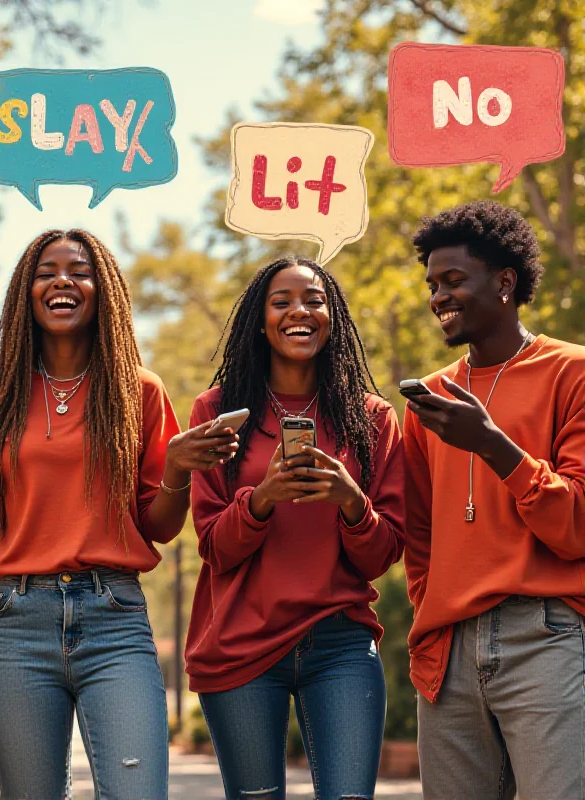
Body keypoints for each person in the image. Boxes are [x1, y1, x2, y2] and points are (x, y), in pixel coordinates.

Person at [0, 228, 238, 800]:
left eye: (79, 270)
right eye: (46, 271)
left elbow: (157, 527)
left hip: (114, 616)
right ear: (25, 293)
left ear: (102, 288)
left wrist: (179, 471)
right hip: (16, 624)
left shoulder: (141, 391)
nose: (63, 280)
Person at [185, 257, 406, 800]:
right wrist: (261, 500)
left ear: (333, 317)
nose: (298, 311)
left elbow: (383, 554)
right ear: (260, 321)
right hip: (241, 643)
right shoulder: (219, 412)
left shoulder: (371, 418)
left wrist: (350, 501)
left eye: (313, 299)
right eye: (281, 302)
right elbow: (214, 546)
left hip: (341, 643)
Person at [403, 200, 585, 800]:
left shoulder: (572, 373)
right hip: (449, 650)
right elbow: (420, 535)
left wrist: (493, 446)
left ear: (505, 282)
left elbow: (577, 528)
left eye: (454, 280)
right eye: (433, 284)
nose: (438, 297)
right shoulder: (429, 398)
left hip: (546, 638)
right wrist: (433, 616)